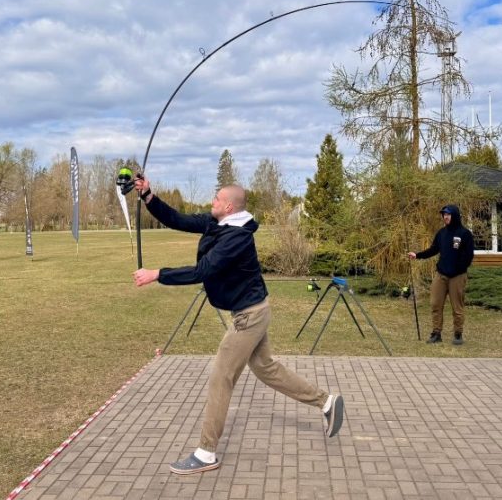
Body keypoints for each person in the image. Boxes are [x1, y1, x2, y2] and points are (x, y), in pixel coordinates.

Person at [132, 177, 344, 475]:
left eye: (217, 199)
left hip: (249, 317)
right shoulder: (216, 222)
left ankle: (206, 453)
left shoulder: (238, 237)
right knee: (266, 368)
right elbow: (177, 219)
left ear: (229, 207)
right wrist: (148, 197)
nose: (212, 202)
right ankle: (326, 402)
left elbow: (203, 270)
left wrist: (158, 274)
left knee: (221, 377)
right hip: (254, 310)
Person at [408, 204, 474, 345]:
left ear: (454, 215)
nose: (445, 217)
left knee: (457, 307)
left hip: (457, 276)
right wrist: (417, 255)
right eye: (444, 214)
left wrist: (457, 269)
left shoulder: (465, 234)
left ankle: (458, 334)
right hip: (441, 275)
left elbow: (468, 257)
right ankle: (436, 333)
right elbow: (433, 250)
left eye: (448, 214)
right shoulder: (441, 233)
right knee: (435, 304)